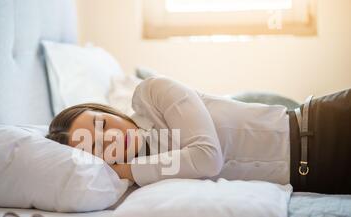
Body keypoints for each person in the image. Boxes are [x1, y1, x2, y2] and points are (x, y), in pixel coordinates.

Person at [47, 75, 351, 194]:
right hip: (315, 178)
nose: (110, 137)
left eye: (102, 124)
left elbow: (207, 158)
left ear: (108, 112)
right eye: (97, 146)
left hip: (325, 127)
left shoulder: (153, 94)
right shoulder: (139, 184)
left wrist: (127, 168)